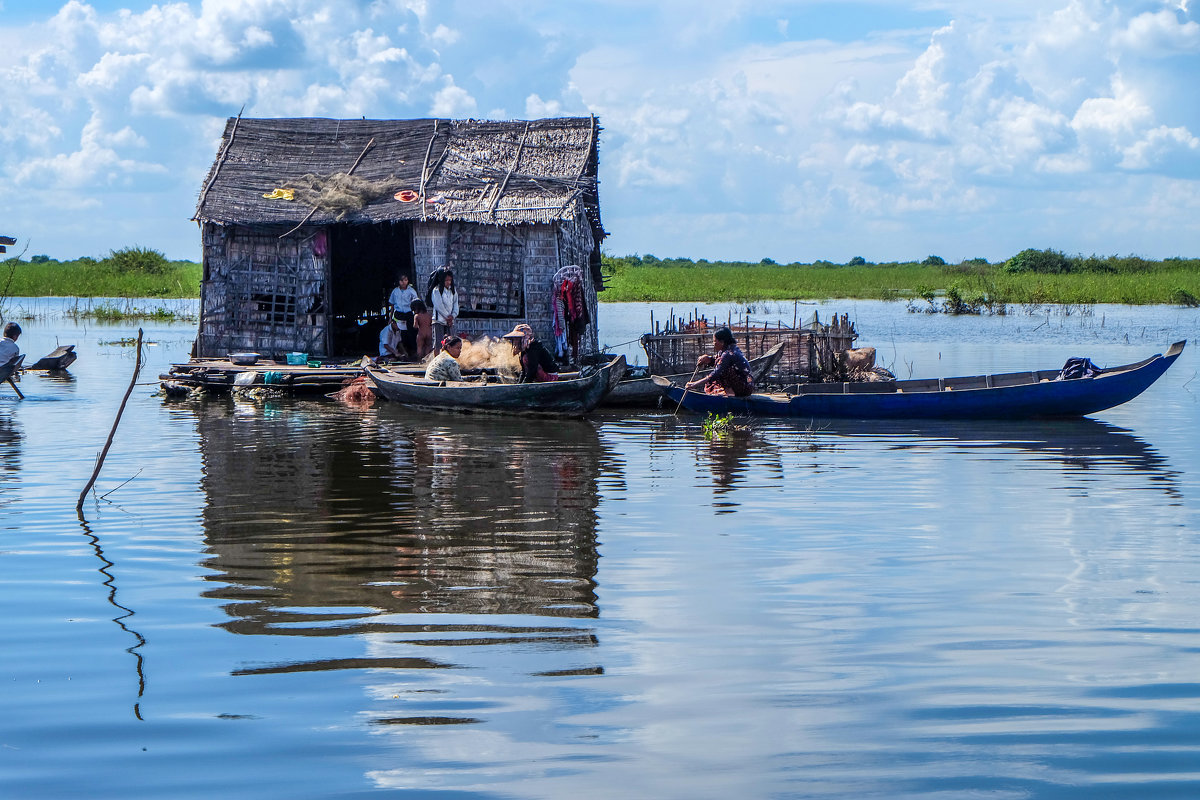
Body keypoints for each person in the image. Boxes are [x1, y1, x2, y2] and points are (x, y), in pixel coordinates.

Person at [685, 327, 754, 397]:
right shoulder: (727, 350)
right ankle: (728, 391)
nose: (713, 344)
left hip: (744, 387)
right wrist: (708, 359)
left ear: (722, 342)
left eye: (714, 341)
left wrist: (695, 384)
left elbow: (716, 373)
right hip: (744, 384)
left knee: (723, 371)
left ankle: (731, 393)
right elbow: (717, 360)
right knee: (713, 381)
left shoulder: (729, 353)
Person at [387, 273, 419, 358]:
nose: (404, 282)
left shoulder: (411, 291)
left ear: (408, 281)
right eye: (402, 280)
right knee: (400, 333)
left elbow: (416, 303)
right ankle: (402, 352)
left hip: (409, 313)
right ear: (399, 281)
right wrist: (390, 318)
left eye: (405, 280)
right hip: (399, 314)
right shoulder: (395, 291)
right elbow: (392, 305)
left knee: (411, 332)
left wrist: (416, 315)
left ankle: (413, 351)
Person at [431, 271, 459, 354]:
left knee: (450, 344)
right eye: (446, 280)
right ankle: (436, 362)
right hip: (438, 321)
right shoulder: (436, 290)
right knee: (438, 344)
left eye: (450, 280)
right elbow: (439, 306)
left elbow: (456, 305)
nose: (448, 282)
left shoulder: (453, 291)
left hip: (449, 321)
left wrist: (453, 316)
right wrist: (447, 317)